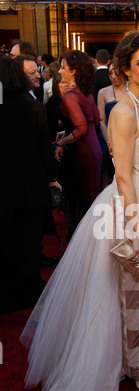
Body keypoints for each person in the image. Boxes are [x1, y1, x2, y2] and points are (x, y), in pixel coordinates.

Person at [20, 30, 139, 391]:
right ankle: (135, 369)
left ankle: (126, 359)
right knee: (131, 285)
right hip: (130, 208)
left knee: (127, 287)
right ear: (124, 68)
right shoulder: (123, 110)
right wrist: (136, 225)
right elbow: (122, 173)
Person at [0, 56, 60, 314]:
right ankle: (28, 290)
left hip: (3, 188)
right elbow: (43, 150)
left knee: (5, 241)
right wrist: (53, 178)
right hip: (28, 186)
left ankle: (6, 293)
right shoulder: (32, 107)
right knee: (29, 240)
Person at [54, 50, 102, 228]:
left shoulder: (70, 96)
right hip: (93, 149)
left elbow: (81, 128)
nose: (60, 71)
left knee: (83, 201)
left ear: (73, 71)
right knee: (91, 197)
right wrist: (65, 134)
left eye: (62, 68)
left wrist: (60, 142)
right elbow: (93, 122)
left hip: (82, 154)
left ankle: (84, 243)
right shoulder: (85, 92)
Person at [97, 60, 126, 187]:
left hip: (130, 139)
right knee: (110, 179)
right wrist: (110, 142)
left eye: (117, 73)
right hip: (109, 140)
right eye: (110, 73)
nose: (113, 76)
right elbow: (102, 121)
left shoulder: (134, 90)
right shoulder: (103, 92)